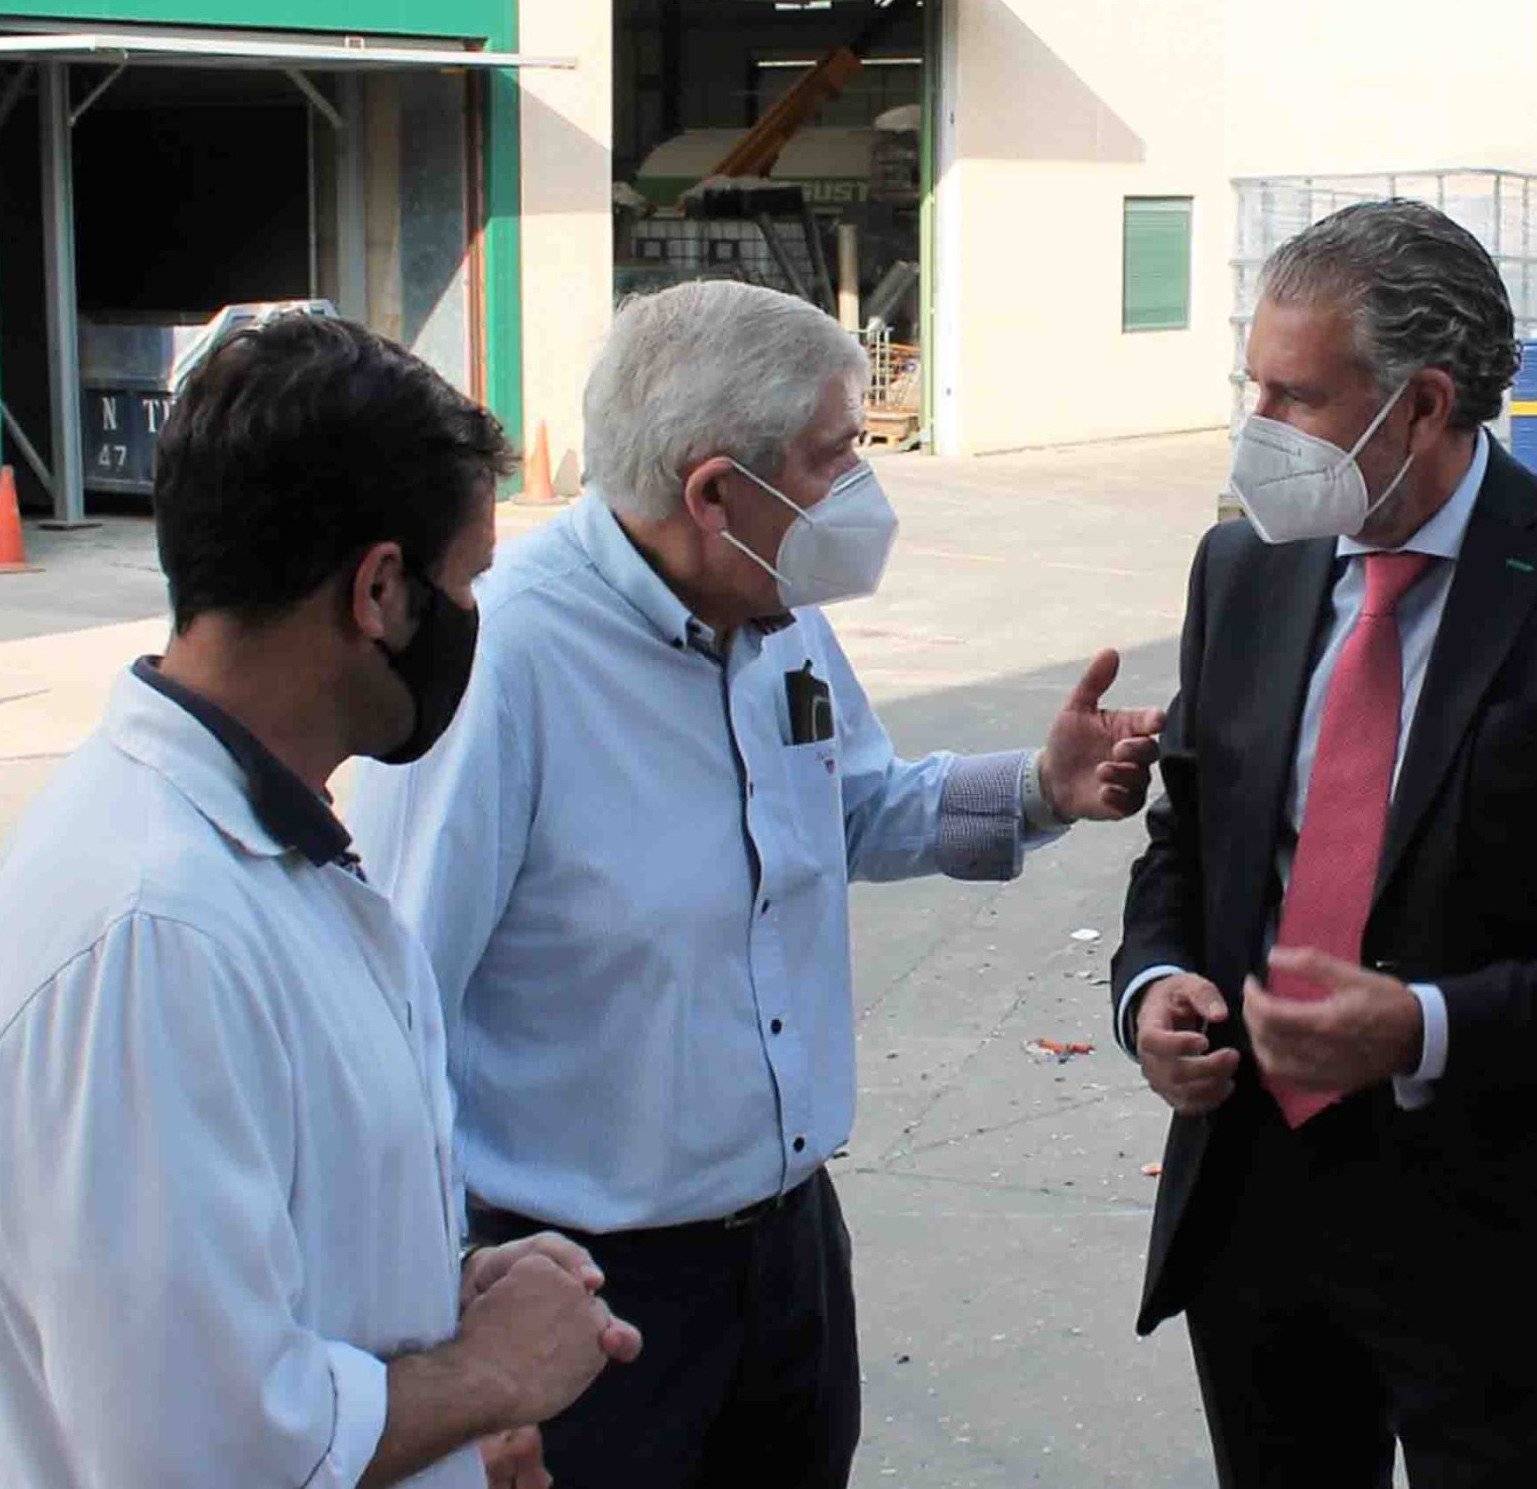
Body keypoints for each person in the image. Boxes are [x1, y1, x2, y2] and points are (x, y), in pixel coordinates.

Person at [348, 279, 1165, 1489]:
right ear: (716, 491)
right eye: (836, 455)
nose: (863, 490)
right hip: (584, 1291)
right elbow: (394, 1016)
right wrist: (455, 1363)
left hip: (784, 1254)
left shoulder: (769, 610)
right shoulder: (508, 663)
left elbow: (854, 807)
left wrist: (1042, 789)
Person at [0, 314, 641, 1489]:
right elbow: (191, 1451)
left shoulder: (267, 847)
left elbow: (251, 1285)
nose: (474, 623)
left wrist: (428, 1313)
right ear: (379, 592)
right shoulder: (153, 938)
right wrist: (492, 1374)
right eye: (465, 584)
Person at [1112, 199, 1537, 1489]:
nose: (1258, 432)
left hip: (1489, 1223)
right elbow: (1189, 835)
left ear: (1423, 406)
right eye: (1254, 388)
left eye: (1298, 397)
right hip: (1254, 1200)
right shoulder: (1243, 571)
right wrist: (1152, 984)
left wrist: (1425, 1024)